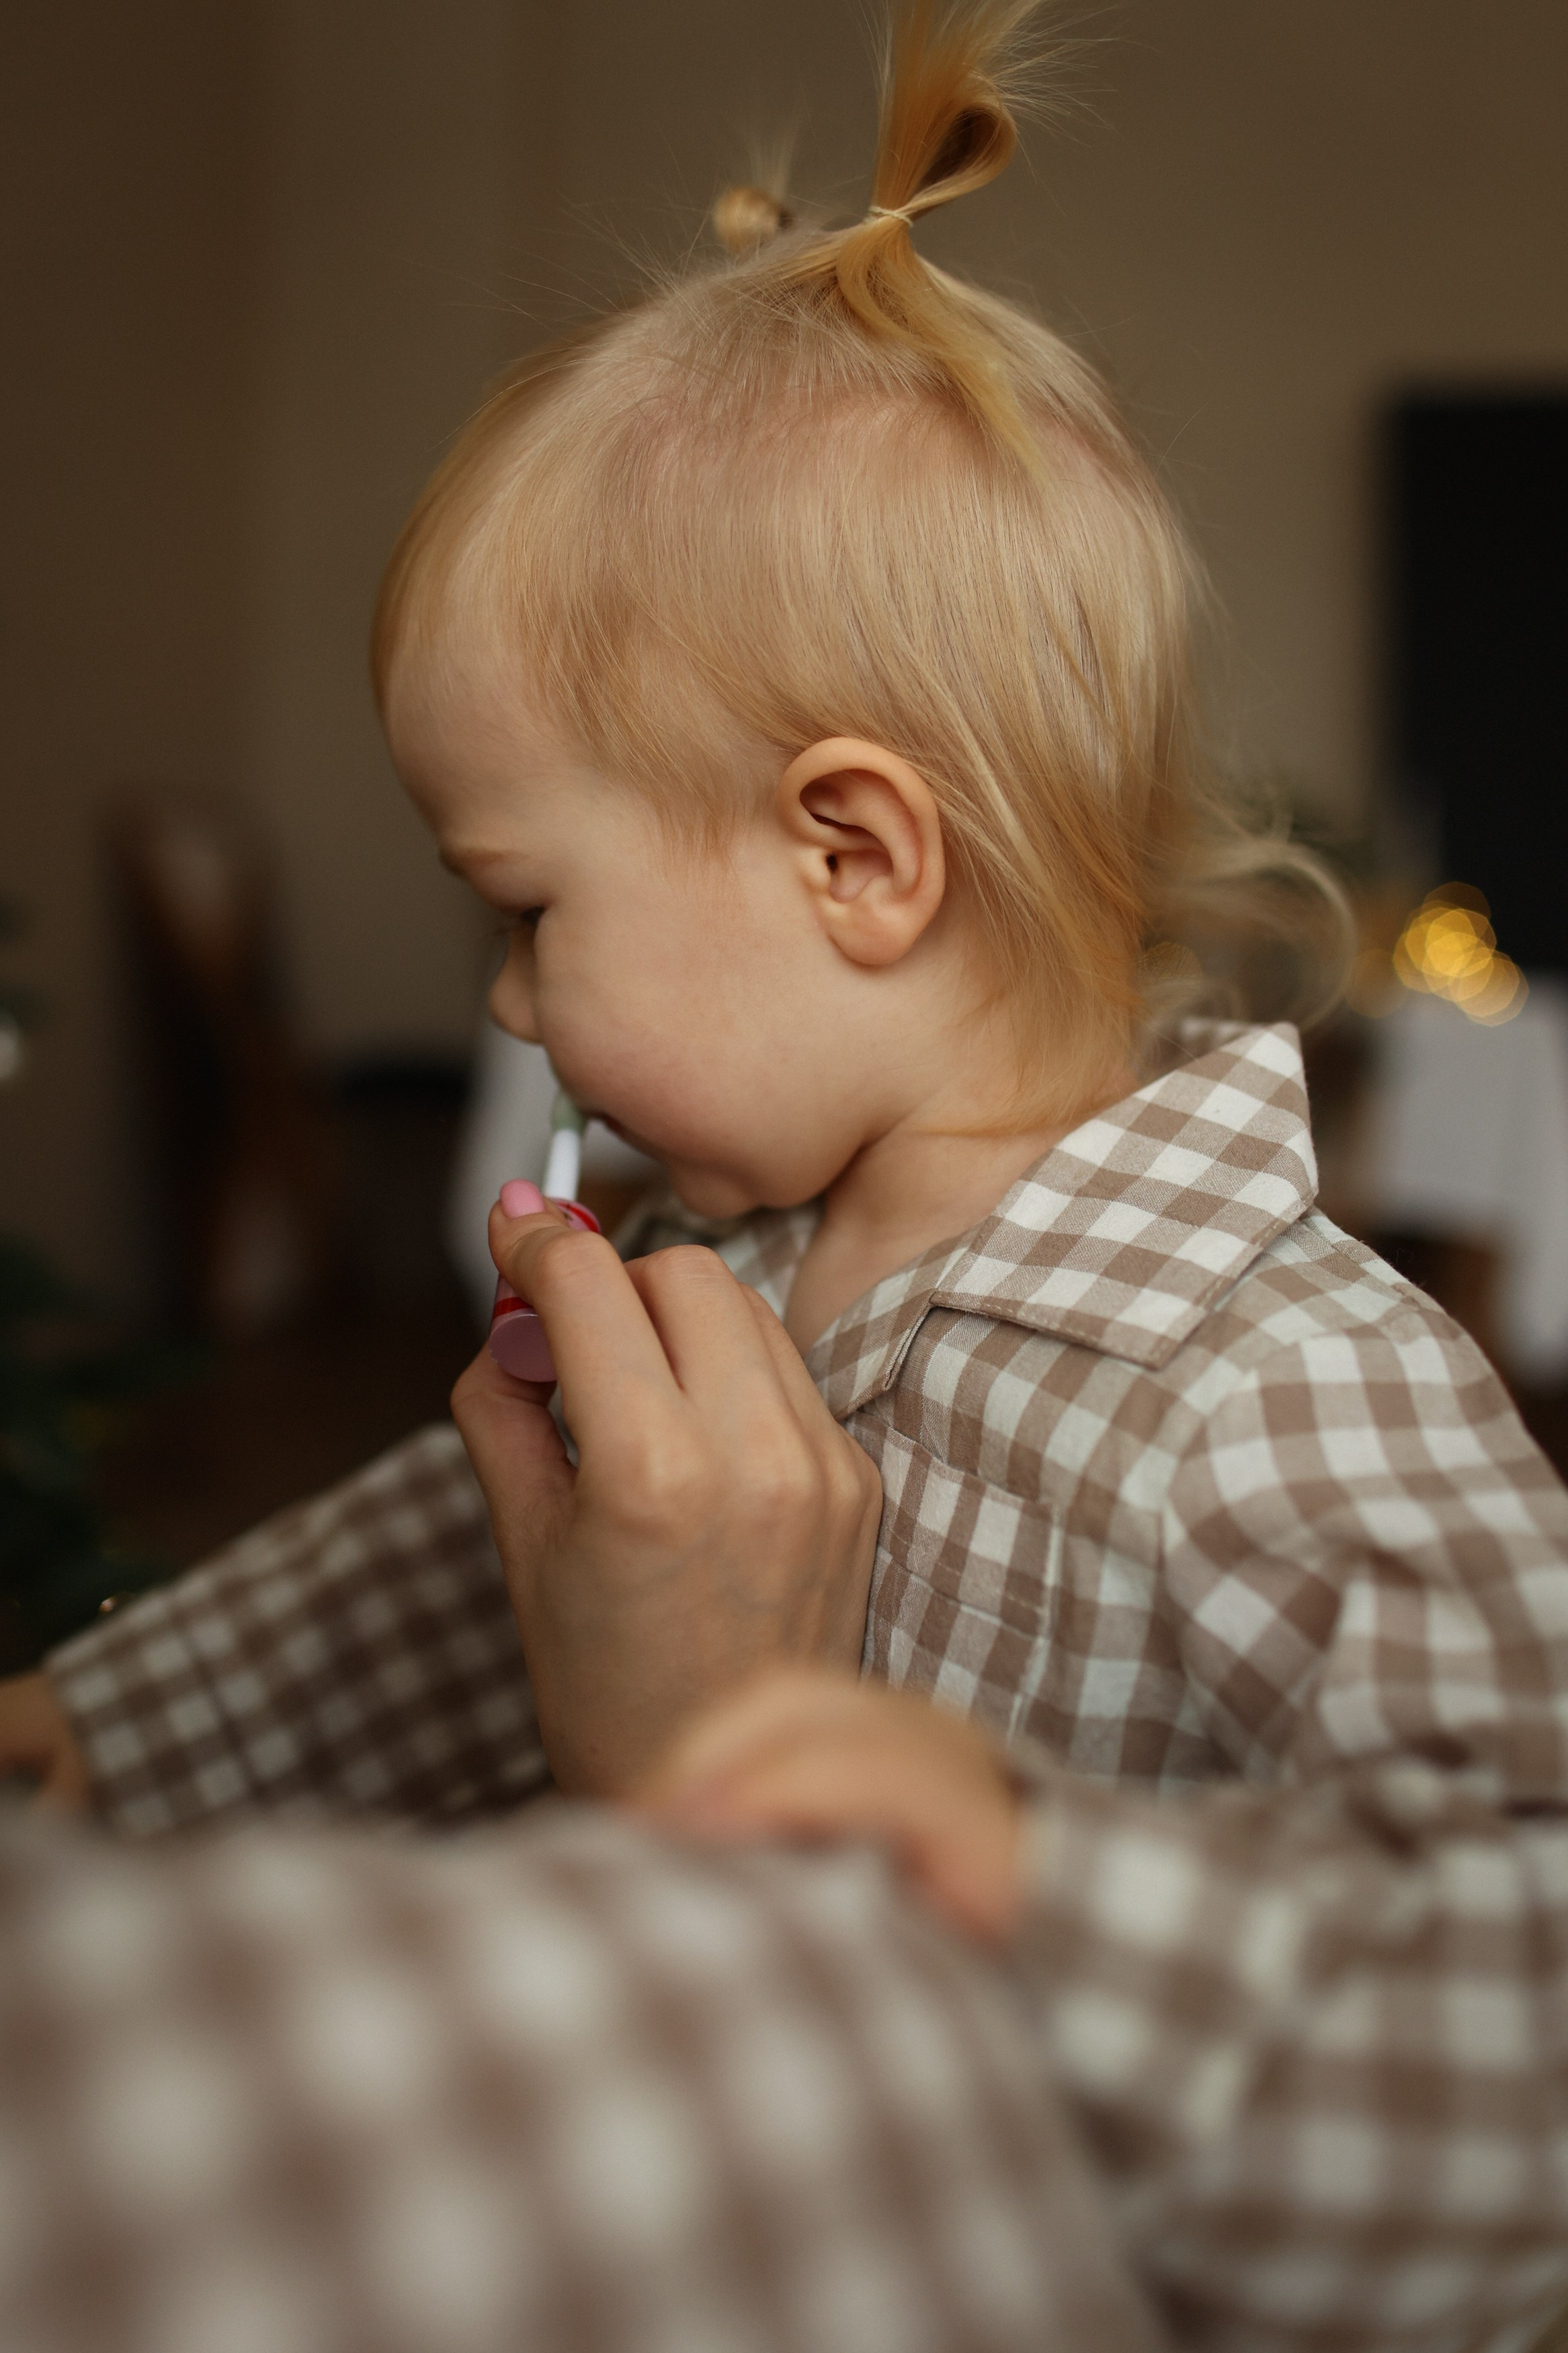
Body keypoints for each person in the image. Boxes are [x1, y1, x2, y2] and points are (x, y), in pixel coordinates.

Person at [3, 3, 1566, 2346]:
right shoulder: (722, 1245)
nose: (510, 1003)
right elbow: (440, 1580)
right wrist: (102, 1736)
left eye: (524, 907)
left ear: (854, 853)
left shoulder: (1288, 1378)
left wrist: (1036, 1884)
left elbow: (1527, 1962)